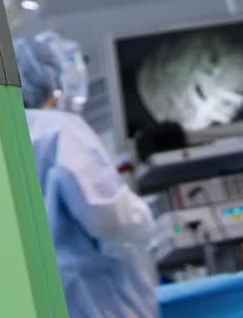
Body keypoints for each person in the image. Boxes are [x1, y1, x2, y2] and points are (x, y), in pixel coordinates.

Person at [16, 34, 159, 318]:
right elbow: (111, 218)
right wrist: (144, 220)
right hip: (98, 300)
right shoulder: (58, 131)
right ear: (52, 81)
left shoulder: (3, 139)